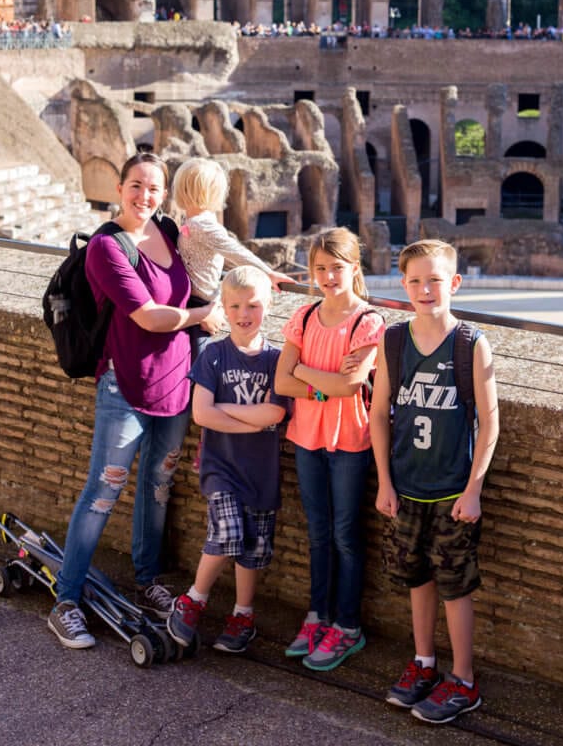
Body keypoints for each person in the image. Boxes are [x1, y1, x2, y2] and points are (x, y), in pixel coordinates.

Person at [47, 152, 223, 649]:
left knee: (159, 485)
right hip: (124, 386)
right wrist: (203, 314)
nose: (144, 195)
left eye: (153, 188)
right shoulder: (107, 247)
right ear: (119, 188)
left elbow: (206, 265)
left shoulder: (169, 232)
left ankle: (147, 580)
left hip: (176, 385)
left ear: (163, 194)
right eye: (136, 185)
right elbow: (148, 317)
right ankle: (66, 601)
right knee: (103, 494)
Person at [369, 239, 499, 724]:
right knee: (415, 577)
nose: (426, 289)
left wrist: (474, 490)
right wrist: (384, 481)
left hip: (452, 493)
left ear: (454, 283)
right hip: (405, 488)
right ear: (403, 285)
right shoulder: (394, 341)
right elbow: (379, 413)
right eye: (416, 281)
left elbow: (490, 422)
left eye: (435, 280)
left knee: (454, 585)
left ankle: (464, 679)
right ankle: (424, 663)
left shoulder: (470, 343)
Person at [274, 227, 385, 671]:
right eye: (320, 268)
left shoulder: (367, 321)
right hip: (307, 437)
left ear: (354, 268)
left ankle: (348, 625)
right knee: (318, 531)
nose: (327, 276)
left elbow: (352, 384)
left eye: (337, 268)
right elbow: (282, 382)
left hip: (349, 441)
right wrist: (322, 386)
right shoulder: (303, 316)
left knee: (345, 534)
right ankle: (318, 615)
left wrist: (303, 369)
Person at [167, 266, 290, 653]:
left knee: (253, 547)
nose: (243, 313)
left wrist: (227, 409)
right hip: (221, 467)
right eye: (235, 305)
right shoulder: (214, 355)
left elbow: (275, 414)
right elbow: (202, 414)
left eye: (253, 304)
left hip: (262, 471)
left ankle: (243, 615)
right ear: (223, 306)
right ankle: (192, 601)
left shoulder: (276, 360)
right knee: (229, 533)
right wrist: (251, 422)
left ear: (267, 306)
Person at [172, 157, 289, 358]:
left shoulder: (201, 225)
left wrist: (268, 274)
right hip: (193, 299)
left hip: (200, 301)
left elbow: (235, 251)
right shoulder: (192, 220)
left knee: (198, 362)